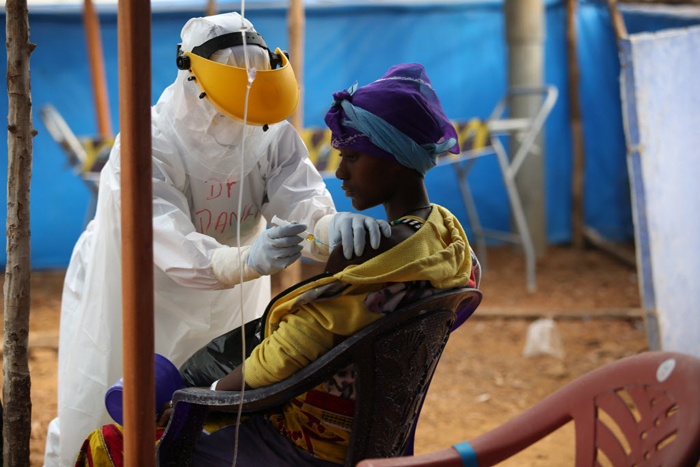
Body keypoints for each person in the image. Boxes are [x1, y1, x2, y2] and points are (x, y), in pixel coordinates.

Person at [76, 63, 477, 467]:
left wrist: (199, 400)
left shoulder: (366, 255)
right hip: (367, 434)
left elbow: (286, 354)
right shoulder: (443, 234)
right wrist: (274, 247)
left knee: (109, 444)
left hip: (299, 443)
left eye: (352, 156)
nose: (339, 172)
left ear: (394, 159)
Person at [45, 12, 391, 467]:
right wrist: (244, 260)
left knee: (217, 406)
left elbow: (298, 197)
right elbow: (163, 237)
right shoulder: (150, 142)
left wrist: (327, 227)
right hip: (139, 291)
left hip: (236, 289)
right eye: (233, 101)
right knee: (116, 399)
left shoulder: (266, 127)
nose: (243, 118)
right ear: (195, 82)